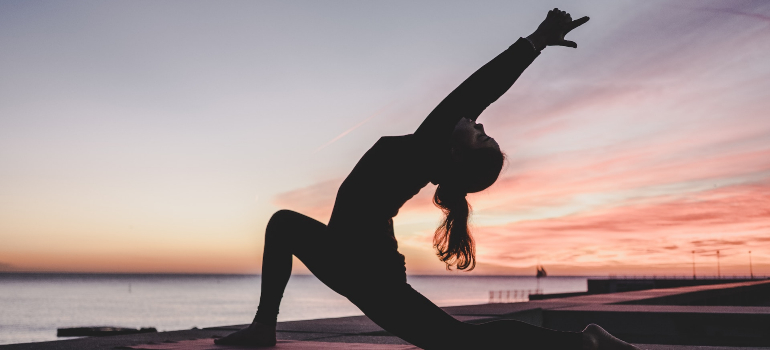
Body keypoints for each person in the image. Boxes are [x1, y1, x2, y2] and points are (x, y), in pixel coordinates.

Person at [217, 8, 640, 350]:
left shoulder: (427, 146)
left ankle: (585, 344)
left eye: (480, 134)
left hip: (364, 268)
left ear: (455, 154)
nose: (476, 123)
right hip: (355, 260)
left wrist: (535, 42)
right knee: (285, 225)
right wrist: (536, 43)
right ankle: (263, 328)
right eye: (482, 130)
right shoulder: (433, 153)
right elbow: (475, 100)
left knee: (458, 342)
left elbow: (479, 88)